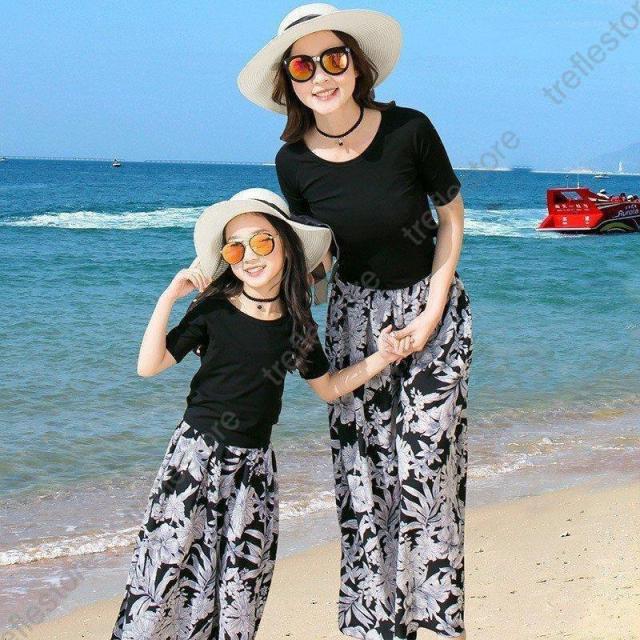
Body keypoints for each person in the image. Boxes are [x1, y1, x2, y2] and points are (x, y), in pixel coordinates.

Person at [238, 5, 473, 639]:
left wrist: (431, 313)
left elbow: (451, 218)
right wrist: (253, 293)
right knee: (364, 477)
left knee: (426, 468)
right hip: (353, 324)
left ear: (356, 65)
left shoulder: (409, 129)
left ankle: (435, 624)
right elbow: (317, 258)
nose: (321, 76)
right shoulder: (292, 162)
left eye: (333, 59)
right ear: (289, 81)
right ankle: (374, 626)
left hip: (433, 309)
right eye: (303, 66)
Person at [110, 188, 404, 640]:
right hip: (193, 461)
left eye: (262, 242)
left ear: (286, 246)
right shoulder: (213, 310)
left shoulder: (296, 324)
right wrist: (168, 298)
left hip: (253, 471)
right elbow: (149, 366)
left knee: (237, 592)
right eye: (235, 249)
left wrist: (383, 357)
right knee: (166, 576)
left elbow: (329, 388)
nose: (249, 256)